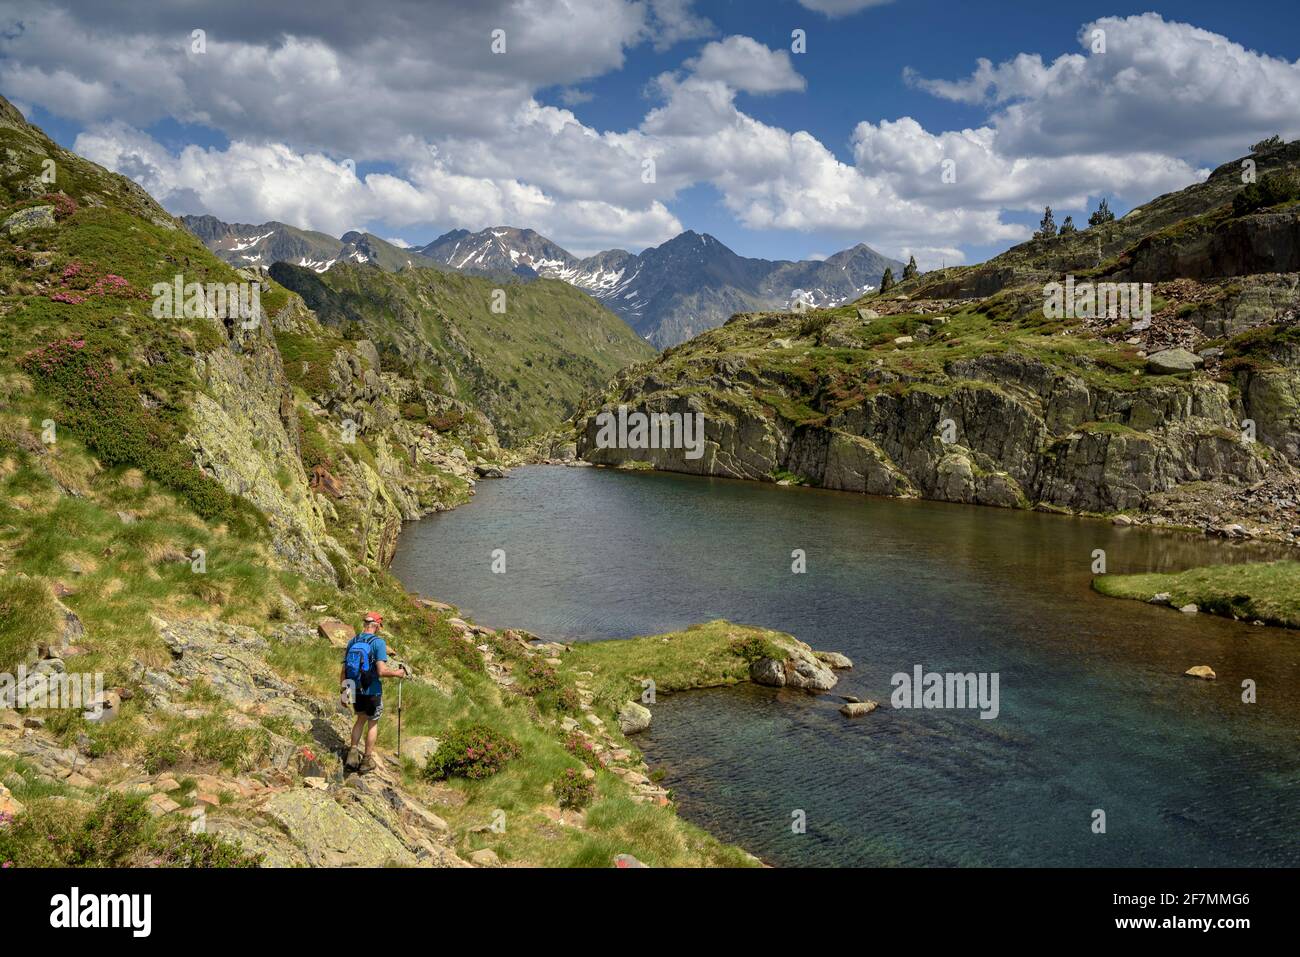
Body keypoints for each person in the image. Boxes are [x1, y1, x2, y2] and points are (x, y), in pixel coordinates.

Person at [340, 612, 408, 773]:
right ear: (376, 625)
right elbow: (381, 671)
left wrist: (344, 692)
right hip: (372, 689)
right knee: (372, 722)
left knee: (359, 720)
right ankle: (366, 760)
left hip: (355, 689)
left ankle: (352, 753)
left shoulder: (353, 641)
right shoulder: (378, 643)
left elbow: (344, 670)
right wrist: (397, 673)